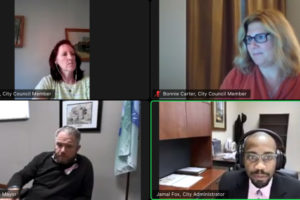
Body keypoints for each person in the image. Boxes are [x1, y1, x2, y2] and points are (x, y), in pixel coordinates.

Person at [220, 10, 300, 99]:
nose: (253, 45)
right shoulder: (237, 76)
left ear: (281, 40)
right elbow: (219, 111)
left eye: (260, 37)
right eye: (249, 39)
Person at [1, 126, 94, 200]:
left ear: (77, 148)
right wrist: (12, 191)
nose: (62, 150)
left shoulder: (85, 164)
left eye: (69, 146)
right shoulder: (43, 157)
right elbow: (21, 175)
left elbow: (85, 196)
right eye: (59, 144)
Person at [219, 129, 300, 199]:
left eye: (268, 157)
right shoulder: (227, 182)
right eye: (251, 157)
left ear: (278, 161)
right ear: (242, 159)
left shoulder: (296, 189)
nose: (259, 166)